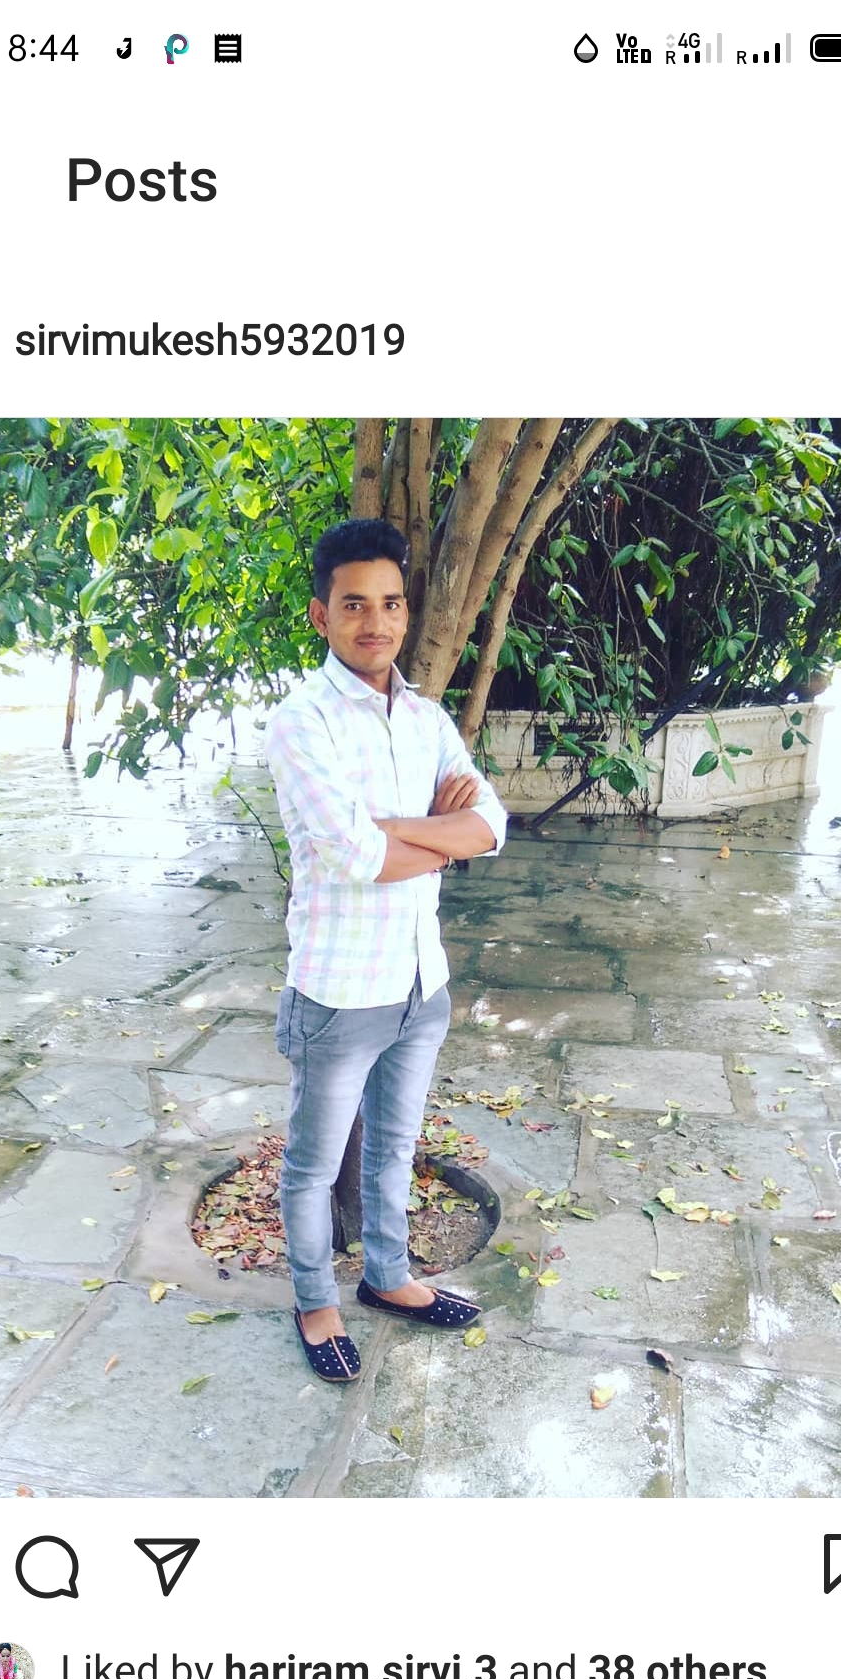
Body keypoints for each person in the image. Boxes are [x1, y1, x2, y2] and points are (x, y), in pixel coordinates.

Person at [265, 518, 507, 1384]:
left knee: (396, 1146)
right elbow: (353, 856)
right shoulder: (302, 722)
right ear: (321, 615)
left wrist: (407, 831)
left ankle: (387, 1277)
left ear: (407, 611)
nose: (377, 622)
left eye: (392, 604)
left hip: (418, 981)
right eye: (355, 605)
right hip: (337, 989)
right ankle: (314, 1302)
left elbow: (493, 825)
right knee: (312, 1165)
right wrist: (443, 836)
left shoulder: (429, 720)